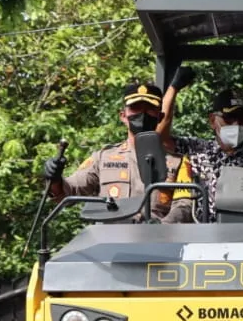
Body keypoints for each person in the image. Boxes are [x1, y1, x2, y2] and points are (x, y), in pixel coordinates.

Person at [46, 81, 195, 223]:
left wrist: (161, 228)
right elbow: (67, 192)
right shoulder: (103, 158)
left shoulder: (178, 162)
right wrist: (55, 178)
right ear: (123, 116)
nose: (142, 114)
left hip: (157, 242)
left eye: (149, 108)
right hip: (110, 242)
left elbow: (185, 206)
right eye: (135, 108)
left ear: (160, 117)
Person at [160, 81, 243, 221]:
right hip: (201, 235)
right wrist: (173, 88)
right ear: (213, 121)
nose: (236, 124)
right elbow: (161, 136)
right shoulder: (194, 150)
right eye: (229, 118)